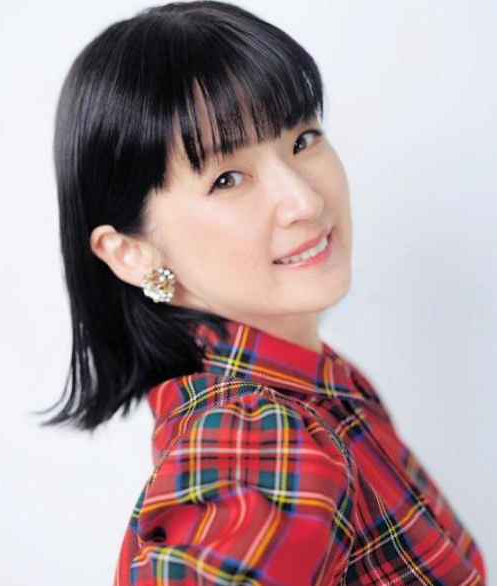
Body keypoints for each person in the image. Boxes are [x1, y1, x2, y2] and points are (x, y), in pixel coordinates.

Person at [41, 1, 487, 584]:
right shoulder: (254, 432)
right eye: (227, 179)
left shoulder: (317, 385)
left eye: (303, 138)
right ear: (132, 252)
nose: (305, 200)